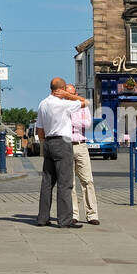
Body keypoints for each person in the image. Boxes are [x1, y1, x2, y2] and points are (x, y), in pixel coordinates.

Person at [35, 77, 89, 228]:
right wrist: (69, 96)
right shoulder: (64, 104)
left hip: (48, 142)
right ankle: (64, 220)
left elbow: (40, 129)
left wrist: (44, 143)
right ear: (62, 89)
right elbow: (85, 102)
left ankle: (42, 218)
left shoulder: (43, 104)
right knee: (65, 183)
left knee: (47, 182)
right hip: (63, 142)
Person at [68, 84, 100, 225]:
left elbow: (87, 124)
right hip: (66, 146)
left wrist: (72, 120)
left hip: (81, 146)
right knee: (70, 183)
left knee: (88, 180)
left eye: (71, 94)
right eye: (66, 94)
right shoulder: (62, 108)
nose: (69, 97)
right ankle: (73, 214)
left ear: (75, 94)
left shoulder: (83, 107)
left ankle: (92, 214)